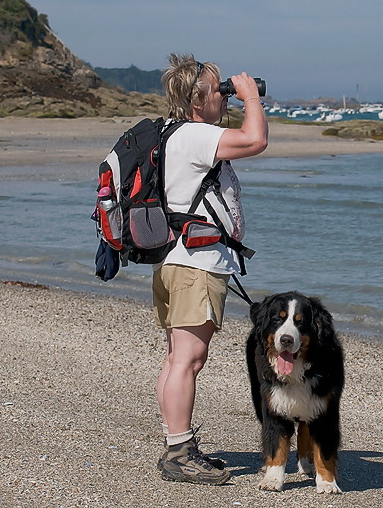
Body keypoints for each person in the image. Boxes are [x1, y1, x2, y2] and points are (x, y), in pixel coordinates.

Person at [154, 53, 268, 485]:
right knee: (189, 359)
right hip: (194, 265)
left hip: (174, 260)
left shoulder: (172, 133)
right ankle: (179, 453)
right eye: (219, 92)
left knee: (177, 358)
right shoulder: (196, 135)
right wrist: (252, 99)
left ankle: (175, 444)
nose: (226, 98)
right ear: (197, 102)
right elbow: (255, 140)